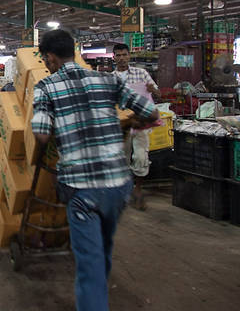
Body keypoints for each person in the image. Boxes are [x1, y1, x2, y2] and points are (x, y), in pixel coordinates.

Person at [31, 30, 158, 311]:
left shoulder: (46, 87)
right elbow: (151, 112)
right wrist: (126, 123)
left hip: (81, 188)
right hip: (117, 185)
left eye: (45, 59)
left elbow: (40, 133)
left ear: (51, 57)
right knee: (103, 248)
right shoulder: (109, 79)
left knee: (89, 263)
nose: (45, 64)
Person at [112, 43, 160, 210]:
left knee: (140, 158)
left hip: (141, 123)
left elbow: (158, 93)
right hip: (122, 125)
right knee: (122, 160)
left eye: (124, 54)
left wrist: (152, 89)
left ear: (129, 56)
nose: (122, 58)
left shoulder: (141, 73)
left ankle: (138, 190)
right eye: (118, 55)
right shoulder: (111, 78)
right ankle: (124, 192)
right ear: (114, 57)